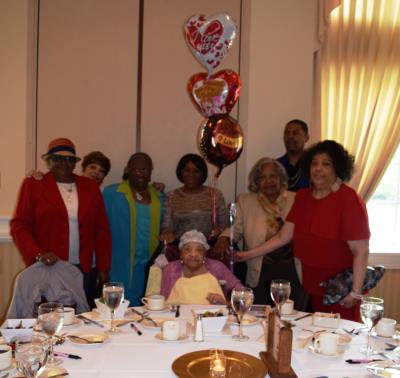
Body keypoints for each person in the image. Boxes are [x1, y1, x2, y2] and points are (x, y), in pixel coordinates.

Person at [236, 140, 370, 320]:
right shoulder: (303, 196)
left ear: (337, 168)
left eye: (326, 164)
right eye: (314, 163)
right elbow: (283, 237)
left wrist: (355, 292)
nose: (318, 169)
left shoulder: (348, 199)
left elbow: (361, 251)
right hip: (309, 285)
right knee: (312, 337)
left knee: (339, 339)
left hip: (340, 288)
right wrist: (248, 254)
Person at [10, 138, 111, 308]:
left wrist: (103, 267)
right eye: (58, 158)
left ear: (74, 163)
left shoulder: (90, 187)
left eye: (69, 159)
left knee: (83, 318)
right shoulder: (34, 184)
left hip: (85, 268)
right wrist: (38, 253)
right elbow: (19, 225)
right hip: (50, 267)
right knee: (51, 317)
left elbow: (101, 230)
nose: (63, 163)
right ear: (49, 162)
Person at [214, 158, 308, 307]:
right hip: (261, 268)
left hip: (292, 268)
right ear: (256, 181)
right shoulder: (246, 201)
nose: (268, 181)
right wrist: (224, 237)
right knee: (261, 316)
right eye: (263, 177)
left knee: (292, 315)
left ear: (281, 178)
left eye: (272, 176)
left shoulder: (296, 199)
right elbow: (235, 229)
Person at [103, 152, 163, 306]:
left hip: (150, 267)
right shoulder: (112, 193)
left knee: (147, 308)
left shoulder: (159, 197)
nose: (141, 173)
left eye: (145, 170)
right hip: (118, 265)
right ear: (128, 170)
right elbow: (99, 228)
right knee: (118, 309)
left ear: (151, 173)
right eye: (136, 169)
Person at [159, 153, 228, 244]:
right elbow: (167, 226)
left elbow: (225, 226)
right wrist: (166, 233)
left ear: (202, 173)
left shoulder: (215, 194)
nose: (191, 174)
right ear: (181, 172)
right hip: (180, 248)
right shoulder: (171, 196)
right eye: (187, 170)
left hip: (210, 247)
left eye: (196, 171)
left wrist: (222, 237)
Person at [161, 230, 242, 305]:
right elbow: (161, 301)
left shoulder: (217, 267)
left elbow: (242, 294)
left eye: (199, 250)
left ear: (204, 254)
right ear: (181, 254)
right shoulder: (170, 269)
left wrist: (225, 303)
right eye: (187, 249)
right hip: (175, 318)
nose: (193, 254)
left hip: (212, 318)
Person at [277, 119, 310, 191]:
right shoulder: (276, 165)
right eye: (287, 133)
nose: (290, 136)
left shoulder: (313, 164)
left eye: (295, 133)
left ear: (307, 138)